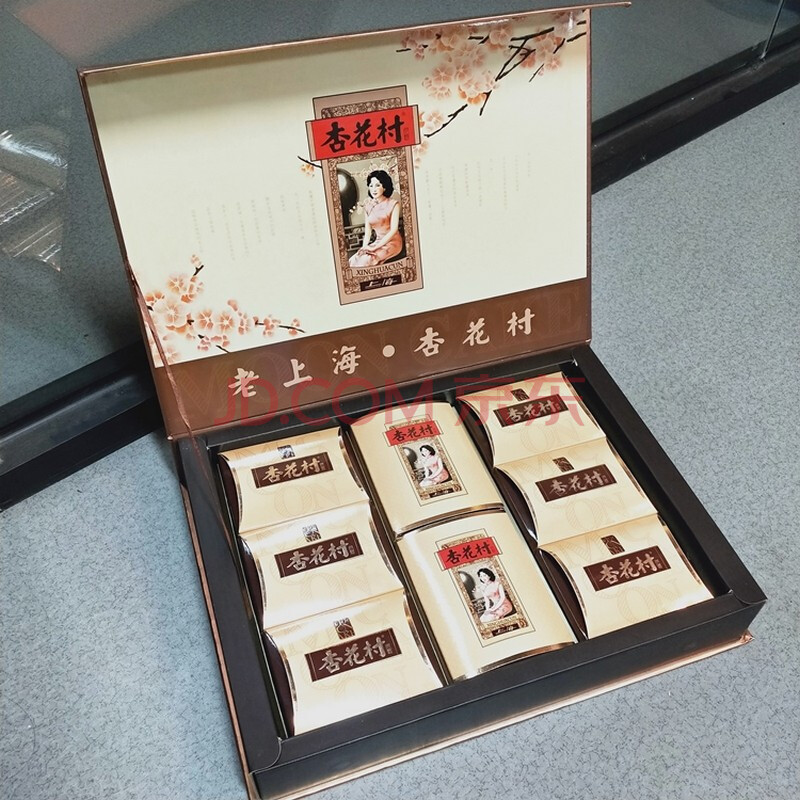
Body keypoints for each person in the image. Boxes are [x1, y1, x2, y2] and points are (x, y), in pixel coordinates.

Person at [348, 170, 403, 268]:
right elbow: (368, 232)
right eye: (371, 185)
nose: (374, 189)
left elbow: (393, 230)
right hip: (378, 242)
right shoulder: (368, 207)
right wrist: (364, 247)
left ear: (384, 187)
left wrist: (375, 248)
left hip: (393, 242)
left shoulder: (394, 204)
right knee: (354, 259)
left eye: (377, 185)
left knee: (367, 259)